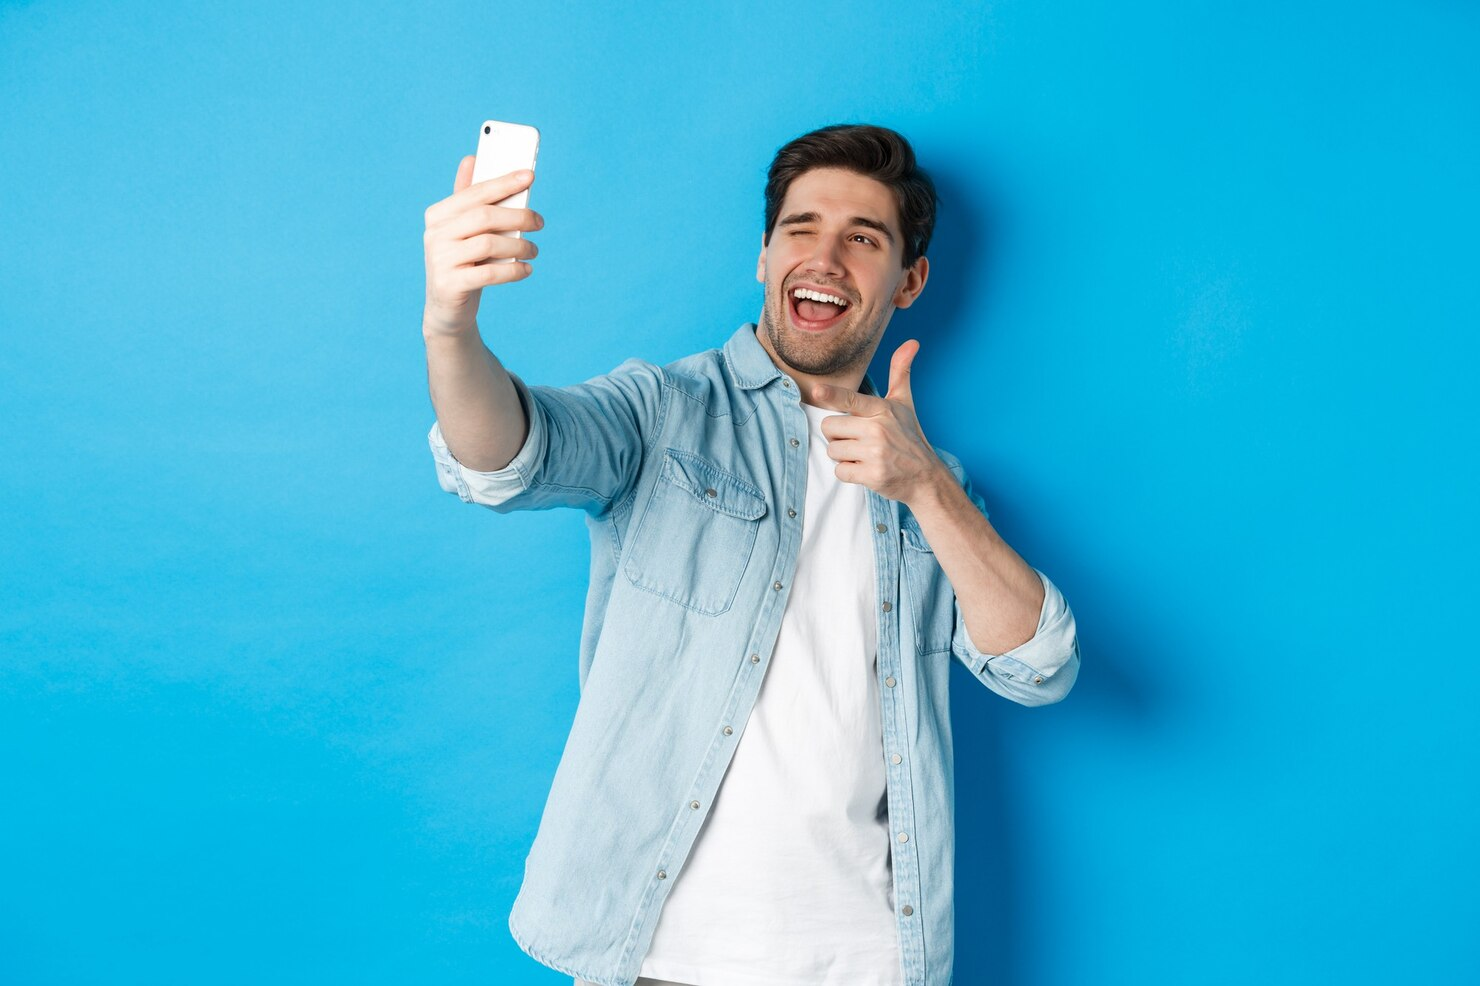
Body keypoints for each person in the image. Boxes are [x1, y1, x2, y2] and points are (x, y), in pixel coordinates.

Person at [421, 124, 1080, 986]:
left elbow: (1040, 665)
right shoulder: (665, 410)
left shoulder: (930, 481)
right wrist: (449, 325)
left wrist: (927, 489)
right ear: (765, 257)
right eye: (800, 229)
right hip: (658, 956)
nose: (826, 256)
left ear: (909, 281)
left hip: (870, 961)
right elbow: (506, 456)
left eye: (864, 238)